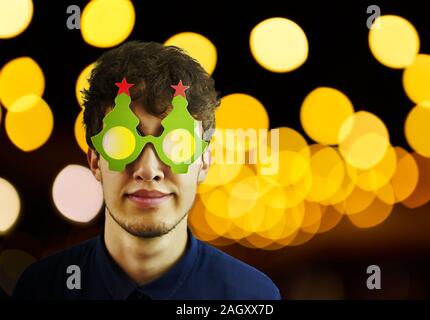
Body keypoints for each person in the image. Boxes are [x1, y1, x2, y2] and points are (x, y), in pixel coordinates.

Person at [12, 41, 281, 300]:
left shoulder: (249, 297)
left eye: (176, 144)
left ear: (204, 163)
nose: (148, 169)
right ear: (95, 161)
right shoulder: (42, 289)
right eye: (121, 141)